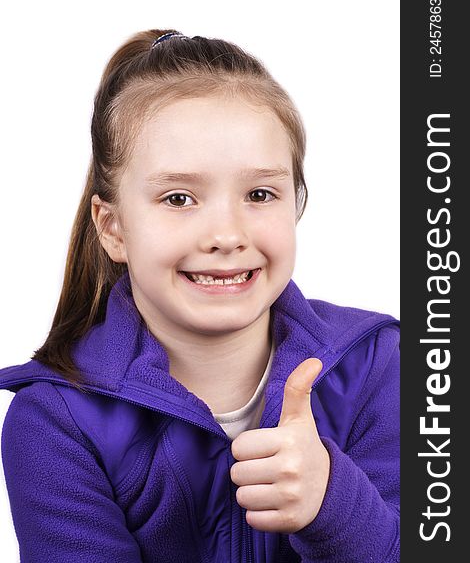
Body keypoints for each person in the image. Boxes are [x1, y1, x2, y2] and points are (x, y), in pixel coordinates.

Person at [0, 29, 399, 562]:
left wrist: (333, 505)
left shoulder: (378, 364)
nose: (227, 235)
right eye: (179, 197)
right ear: (113, 227)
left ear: (296, 203)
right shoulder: (54, 422)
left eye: (260, 194)